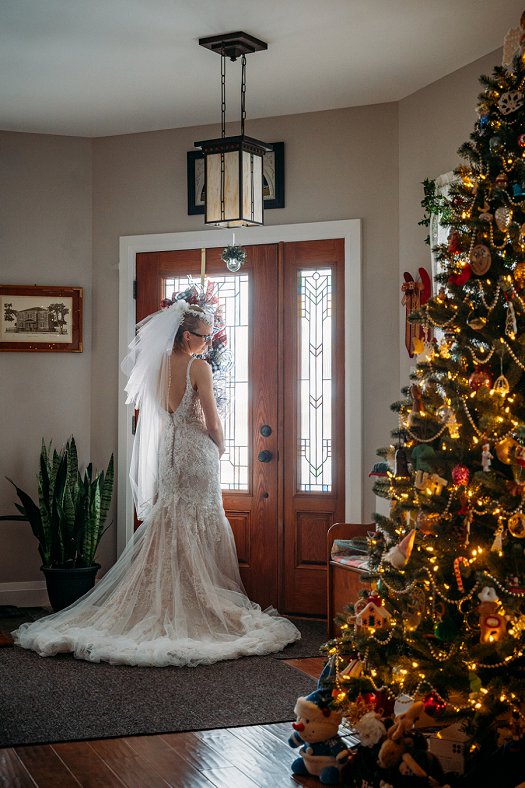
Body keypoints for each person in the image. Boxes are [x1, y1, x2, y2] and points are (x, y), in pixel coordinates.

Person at [13, 300, 300, 666]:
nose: (207, 344)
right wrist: (223, 445)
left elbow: (159, 413)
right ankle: (193, 603)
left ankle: (167, 598)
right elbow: (212, 420)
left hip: (169, 452)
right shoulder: (199, 368)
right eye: (203, 337)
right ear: (186, 335)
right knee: (199, 520)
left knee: (171, 518)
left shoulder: (157, 367)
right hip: (196, 451)